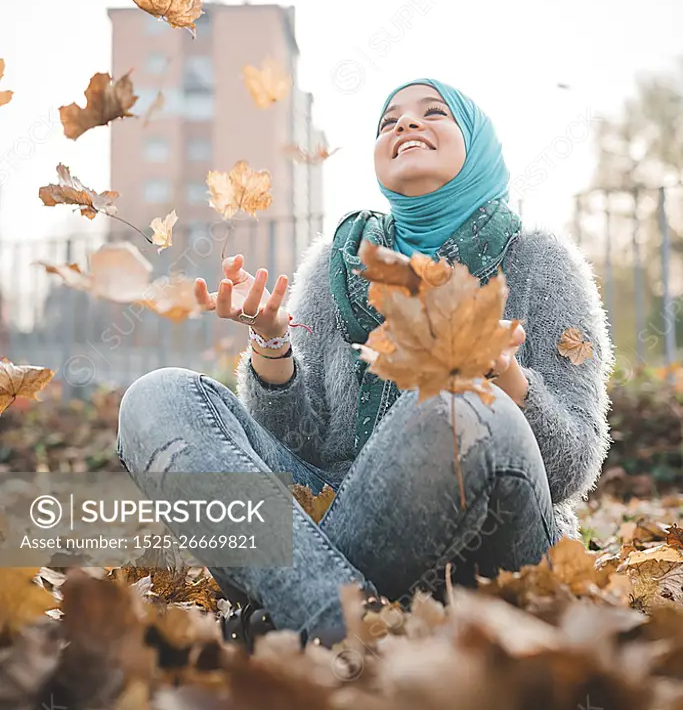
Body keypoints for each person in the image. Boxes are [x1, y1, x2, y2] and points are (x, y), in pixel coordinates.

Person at [116, 77, 613, 649]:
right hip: (334, 516)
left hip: (486, 549)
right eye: (388, 121)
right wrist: (271, 345)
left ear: (478, 148)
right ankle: (346, 624)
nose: (405, 125)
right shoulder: (334, 268)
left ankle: (296, 608)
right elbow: (297, 446)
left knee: (457, 407)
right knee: (158, 397)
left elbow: (572, 468)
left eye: (433, 113)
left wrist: (504, 376)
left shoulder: (538, 262)